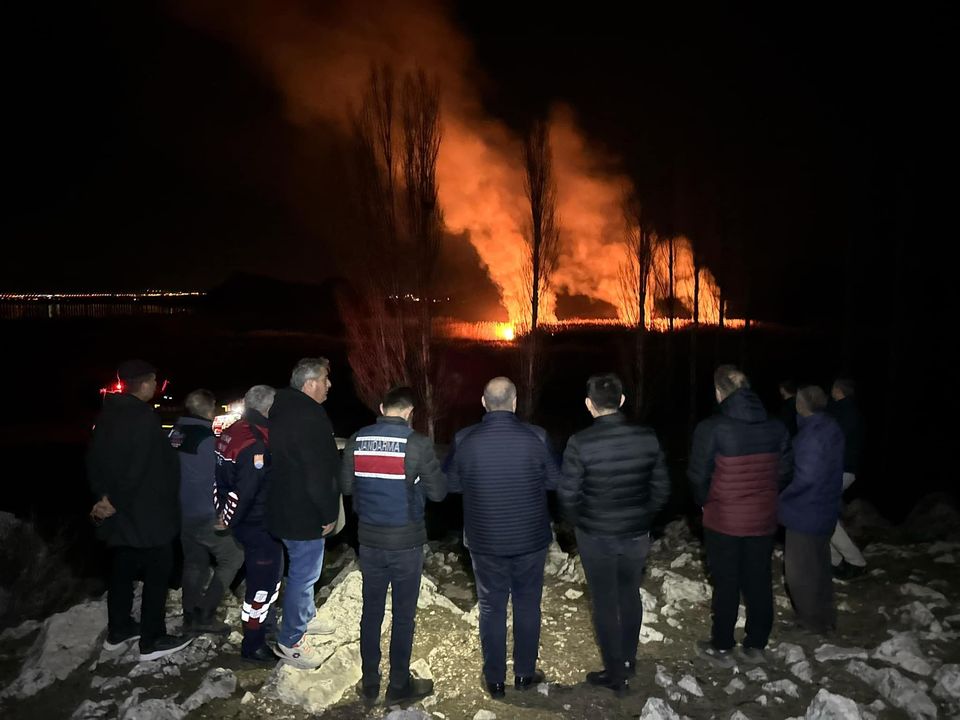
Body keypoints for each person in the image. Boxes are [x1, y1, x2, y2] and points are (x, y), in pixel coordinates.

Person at [447, 377, 561, 698]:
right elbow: (556, 481)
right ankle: (524, 674)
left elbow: (450, 485)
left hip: (484, 541)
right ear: (515, 402)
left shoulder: (463, 438)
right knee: (527, 605)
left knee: (491, 608)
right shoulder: (537, 437)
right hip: (529, 540)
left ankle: (495, 679)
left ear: (484, 403)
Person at [559, 373, 670, 695]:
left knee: (606, 601)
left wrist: (581, 521)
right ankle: (629, 660)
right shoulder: (648, 437)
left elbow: (567, 495)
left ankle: (614, 672)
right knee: (629, 592)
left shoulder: (580, 442)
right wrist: (645, 515)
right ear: (622, 401)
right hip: (636, 533)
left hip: (596, 536)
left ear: (588, 405)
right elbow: (662, 488)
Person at [340, 386, 447, 704]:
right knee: (403, 616)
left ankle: (370, 682)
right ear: (410, 412)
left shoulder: (357, 439)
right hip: (406, 543)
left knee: (371, 611)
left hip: (370, 541)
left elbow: (346, 486)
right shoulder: (417, 444)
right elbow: (439, 492)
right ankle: (398, 685)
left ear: (383, 407)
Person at [87, 359, 193, 661]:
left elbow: (94, 459)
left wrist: (101, 498)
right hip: (147, 513)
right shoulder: (143, 418)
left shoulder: (108, 413)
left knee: (122, 568)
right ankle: (152, 638)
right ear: (146, 384)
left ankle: (119, 629)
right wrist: (113, 500)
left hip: (121, 515)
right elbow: (138, 468)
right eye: (154, 382)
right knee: (158, 571)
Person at [688, 365, 792, 667]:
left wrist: (706, 501)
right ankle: (756, 645)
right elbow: (785, 472)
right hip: (762, 518)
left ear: (720, 392)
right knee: (759, 579)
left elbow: (698, 476)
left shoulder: (712, 428)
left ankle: (722, 646)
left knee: (726, 581)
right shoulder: (776, 427)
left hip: (724, 519)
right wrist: (764, 497)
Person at [267, 358, 341, 668]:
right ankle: (291, 641)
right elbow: (315, 470)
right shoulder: (309, 415)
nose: (329, 385)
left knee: (302, 570)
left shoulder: (283, 408)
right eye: (325, 379)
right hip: (303, 509)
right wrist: (327, 511)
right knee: (305, 572)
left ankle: (305, 617)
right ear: (310, 383)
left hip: (283, 504)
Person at [214, 385, 281, 663]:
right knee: (261, 585)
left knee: (271, 579)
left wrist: (221, 511)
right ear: (269, 408)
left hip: (250, 522)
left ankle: (263, 627)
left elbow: (218, 478)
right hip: (257, 523)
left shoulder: (232, 431)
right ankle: (253, 643)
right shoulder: (256, 441)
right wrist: (227, 519)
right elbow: (246, 489)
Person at [170, 389, 242, 634]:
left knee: (194, 562)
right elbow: (223, 477)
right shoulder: (208, 440)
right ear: (209, 410)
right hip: (206, 512)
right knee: (233, 557)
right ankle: (206, 613)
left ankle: (190, 615)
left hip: (182, 510)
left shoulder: (175, 433)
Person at [779, 385, 845, 635]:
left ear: (802, 405)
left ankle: (810, 622)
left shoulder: (810, 436)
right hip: (825, 507)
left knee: (799, 572)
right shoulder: (831, 427)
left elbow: (804, 477)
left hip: (805, 511)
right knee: (819, 567)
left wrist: (780, 496)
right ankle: (826, 617)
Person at [827, 377, 867, 578]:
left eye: (833, 388)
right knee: (824, 514)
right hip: (846, 469)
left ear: (838, 390)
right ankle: (835, 560)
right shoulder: (850, 411)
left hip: (841, 470)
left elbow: (833, 440)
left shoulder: (843, 412)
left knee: (822, 514)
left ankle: (855, 561)